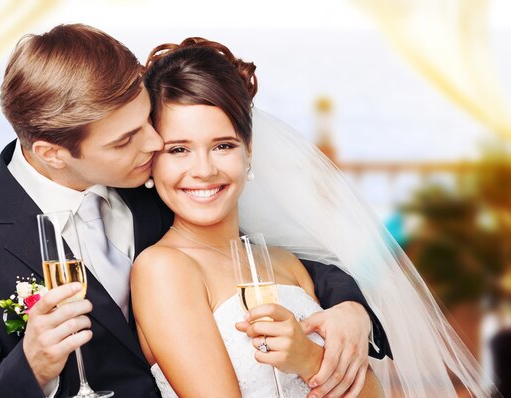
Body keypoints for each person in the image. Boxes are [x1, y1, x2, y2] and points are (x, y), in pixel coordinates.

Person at [0, 24, 389, 398]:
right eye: (127, 138)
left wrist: (350, 308)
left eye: (145, 120)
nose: (155, 143)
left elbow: (251, 259)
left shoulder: (153, 182)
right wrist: (32, 367)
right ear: (52, 153)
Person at [132, 37, 496, 397]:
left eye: (223, 146)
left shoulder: (286, 264)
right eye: (178, 150)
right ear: (151, 158)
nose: (204, 170)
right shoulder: (163, 269)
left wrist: (307, 358)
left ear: (249, 151)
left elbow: (371, 393)